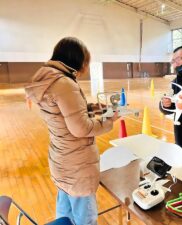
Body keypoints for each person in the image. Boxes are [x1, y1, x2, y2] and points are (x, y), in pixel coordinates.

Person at [25, 37, 119, 225]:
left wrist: (93, 108)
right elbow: (81, 128)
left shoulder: (47, 79)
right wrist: (109, 120)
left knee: (65, 214)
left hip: (61, 160)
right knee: (85, 218)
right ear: (77, 60)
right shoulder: (64, 84)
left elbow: (64, 113)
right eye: (86, 62)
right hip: (77, 166)